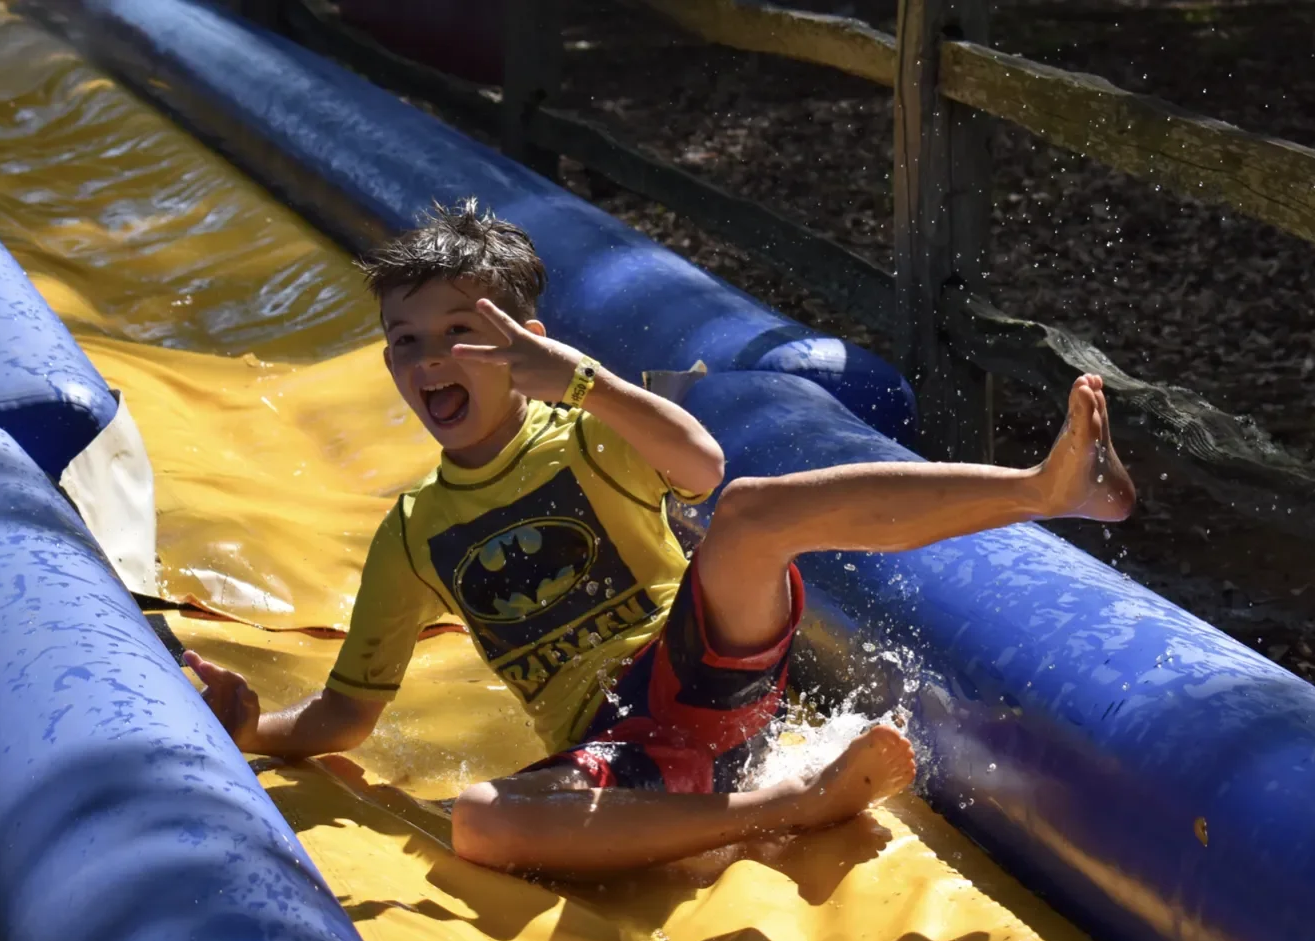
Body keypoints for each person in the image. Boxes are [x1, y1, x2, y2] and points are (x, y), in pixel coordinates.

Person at [185, 199, 1135, 876]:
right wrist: (249, 729)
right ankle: (787, 809)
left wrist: (577, 379)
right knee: (475, 823)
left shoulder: (588, 430)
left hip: (701, 668)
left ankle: (1043, 487)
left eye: (463, 335)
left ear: (528, 343)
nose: (432, 360)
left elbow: (702, 467)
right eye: (406, 341)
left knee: (754, 512)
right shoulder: (413, 534)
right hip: (623, 756)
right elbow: (345, 719)